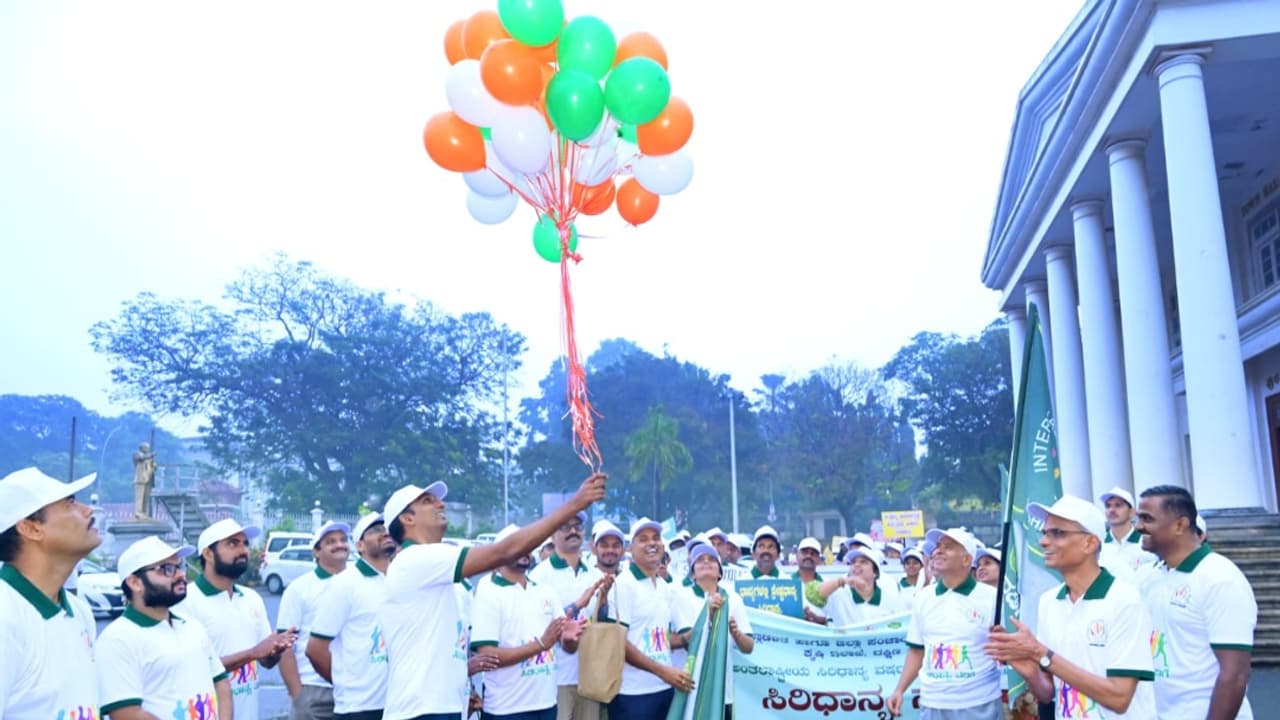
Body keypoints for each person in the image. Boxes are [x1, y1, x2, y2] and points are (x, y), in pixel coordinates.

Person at [379, 472, 605, 720]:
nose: (440, 504)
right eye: (427, 501)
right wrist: (575, 504)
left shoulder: (439, 576)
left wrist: (463, 686)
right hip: (419, 711)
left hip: (439, 707)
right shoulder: (415, 559)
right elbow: (505, 552)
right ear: (407, 518)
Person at [984, 495, 1156, 718]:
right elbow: (1048, 693)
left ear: (1090, 543)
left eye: (1057, 533)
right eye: (1045, 533)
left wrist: (1040, 653)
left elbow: (1119, 698)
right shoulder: (1049, 601)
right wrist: (1028, 668)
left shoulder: (1124, 601)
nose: (1043, 542)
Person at [1136, 485, 1255, 719]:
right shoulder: (1147, 576)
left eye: (1147, 519)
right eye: (1138, 518)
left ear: (1180, 525)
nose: (1138, 526)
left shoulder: (1220, 579)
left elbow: (1234, 675)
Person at [0, 467, 101, 720]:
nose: (88, 510)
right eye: (70, 503)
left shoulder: (79, 611)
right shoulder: (5, 615)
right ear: (31, 528)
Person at [176, 517, 298, 720]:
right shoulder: (186, 602)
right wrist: (253, 653)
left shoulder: (252, 598)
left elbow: (265, 661)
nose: (243, 551)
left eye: (245, 544)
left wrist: (276, 649)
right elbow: (192, 669)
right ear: (208, 554)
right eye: (233, 544)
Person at [97, 536, 231, 720]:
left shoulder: (192, 626)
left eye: (179, 567)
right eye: (167, 569)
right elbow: (126, 713)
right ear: (135, 582)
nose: (180, 575)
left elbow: (221, 683)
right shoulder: (117, 639)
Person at [887, 527, 1001, 719]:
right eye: (938, 546)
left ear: (966, 559)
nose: (938, 551)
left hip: (979, 703)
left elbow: (1007, 648)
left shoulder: (992, 598)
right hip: (933, 702)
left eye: (948, 547)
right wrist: (900, 689)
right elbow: (917, 650)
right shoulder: (923, 597)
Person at [307, 514, 399, 720]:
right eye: (375, 530)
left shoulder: (400, 580)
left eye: (387, 528)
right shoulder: (344, 583)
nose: (385, 533)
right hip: (358, 707)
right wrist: (345, 683)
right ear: (360, 545)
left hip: (397, 704)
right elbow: (315, 649)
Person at [471, 524, 567, 720]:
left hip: (546, 703)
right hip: (507, 708)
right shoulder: (489, 589)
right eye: (516, 545)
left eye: (527, 545)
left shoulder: (545, 591)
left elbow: (565, 642)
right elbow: (488, 655)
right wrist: (540, 644)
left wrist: (571, 638)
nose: (524, 549)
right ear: (501, 552)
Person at [526, 510, 613, 720]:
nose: (573, 531)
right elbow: (538, 626)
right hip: (555, 678)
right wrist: (577, 605)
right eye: (565, 527)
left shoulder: (594, 574)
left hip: (589, 678)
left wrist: (603, 602)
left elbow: (600, 623)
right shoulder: (539, 576)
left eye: (578, 526)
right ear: (552, 535)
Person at [605, 517, 693, 720]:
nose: (652, 543)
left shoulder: (663, 586)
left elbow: (659, 637)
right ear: (630, 549)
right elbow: (618, 642)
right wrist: (663, 671)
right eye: (643, 539)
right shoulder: (624, 584)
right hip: (632, 694)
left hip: (663, 689)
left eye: (656, 538)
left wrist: (693, 634)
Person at [278, 520, 351, 720]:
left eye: (343, 540)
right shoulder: (299, 589)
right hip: (315, 690)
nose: (339, 545)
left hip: (356, 691)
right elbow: (284, 647)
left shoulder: (358, 583)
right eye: (331, 542)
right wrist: (298, 696)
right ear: (316, 552)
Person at [673, 544, 754, 720]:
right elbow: (689, 644)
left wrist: (737, 634)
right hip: (690, 688)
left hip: (722, 691)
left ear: (719, 573)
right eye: (700, 560)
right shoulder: (681, 597)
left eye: (711, 559)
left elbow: (749, 647)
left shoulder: (733, 599)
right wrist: (707, 615)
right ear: (693, 574)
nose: (706, 563)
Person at [817, 545, 903, 626]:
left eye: (863, 562)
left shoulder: (891, 599)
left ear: (875, 573)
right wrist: (844, 580)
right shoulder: (839, 595)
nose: (856, 565)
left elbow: (899, 626)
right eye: (853, 562)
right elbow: (815, 594)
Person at [1099, 486, 1156, 577]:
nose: (1111, 510)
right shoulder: (1099, 546)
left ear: (1132, 512)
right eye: (1108, 506)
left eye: (1118, 505)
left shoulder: (1147, 542)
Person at [795, 537, 830, 624]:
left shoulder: (828, 585)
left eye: (813, 553)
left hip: (820, 632)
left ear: (819, 559)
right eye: (805, 552)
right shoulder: (786, 582)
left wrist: (817, 619)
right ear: (797, 556)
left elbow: (835, 619)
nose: (808, 556)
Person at [132, 442, 157, 519]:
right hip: (140, 479)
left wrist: (154, 465)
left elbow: (154, 467)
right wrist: (151, 455)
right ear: (142, 448)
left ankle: (144, 513)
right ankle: (138, 513)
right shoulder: (137, 454)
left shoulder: (149, 457)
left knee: (146, 499)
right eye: (146, 447)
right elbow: (141, 458)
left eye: (148, 447)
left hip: (148, 480)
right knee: (139, 497)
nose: (148, 449)